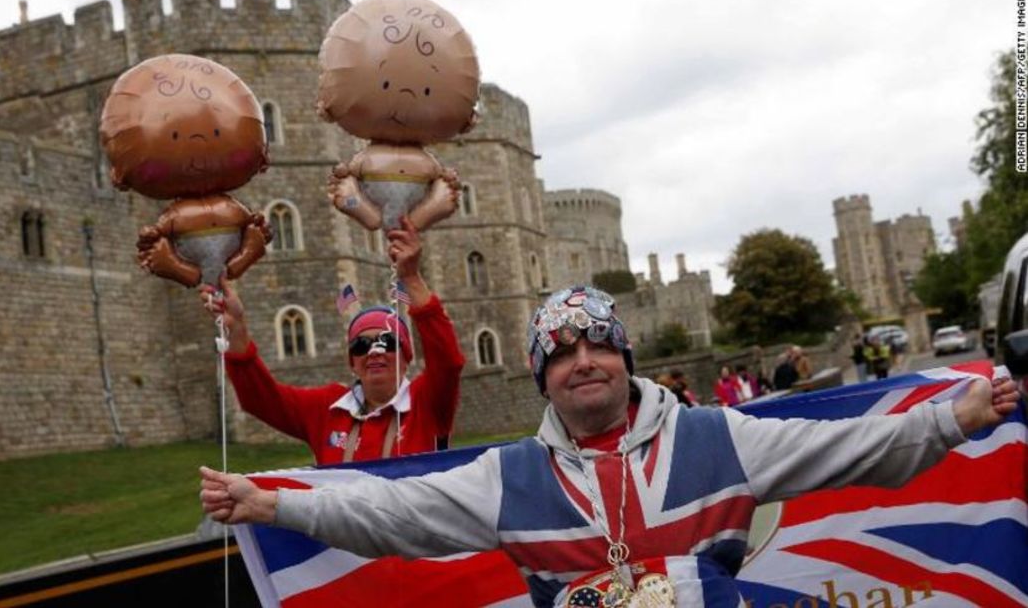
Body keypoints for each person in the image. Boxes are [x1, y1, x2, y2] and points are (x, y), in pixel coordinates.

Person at [200, 285, 1019, 607]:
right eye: (560, 353)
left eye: (598, 346)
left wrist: (956, 415)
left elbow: (850, 448)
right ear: (542, 378)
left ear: (626, 361)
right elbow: (391, 510)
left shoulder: (717, 436)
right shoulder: (511, 476)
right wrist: (272, 502)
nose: (582, 361)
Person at [200, 217, 464, 464]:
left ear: (407, 357)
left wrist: (411, 277)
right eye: (361, 346)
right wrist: (236, 329)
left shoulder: (427, 402)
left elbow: (448, 362)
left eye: (387, 342)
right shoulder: (327, 409)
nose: (374, 352)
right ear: (353, 363)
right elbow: (260, 399)